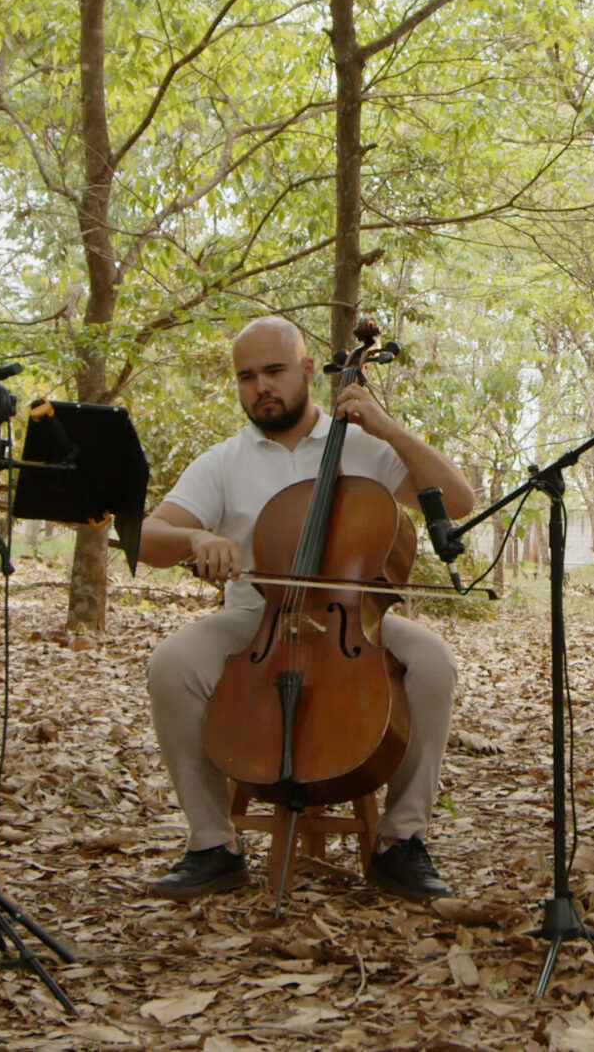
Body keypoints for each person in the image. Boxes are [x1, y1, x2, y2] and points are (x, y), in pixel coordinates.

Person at [136, 317, 476, 902]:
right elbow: (146, 535)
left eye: (273, 371)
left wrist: (390, 429)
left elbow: (460, 501)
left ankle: (402, 842)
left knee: (434, 662)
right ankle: (212, 844)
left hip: (355, 618)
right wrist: (194, 541)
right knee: (172, 663)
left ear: (308, 372)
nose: (260, 387)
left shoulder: (367, 445)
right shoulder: (225, 461)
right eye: (247, 377)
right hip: (257, 618)